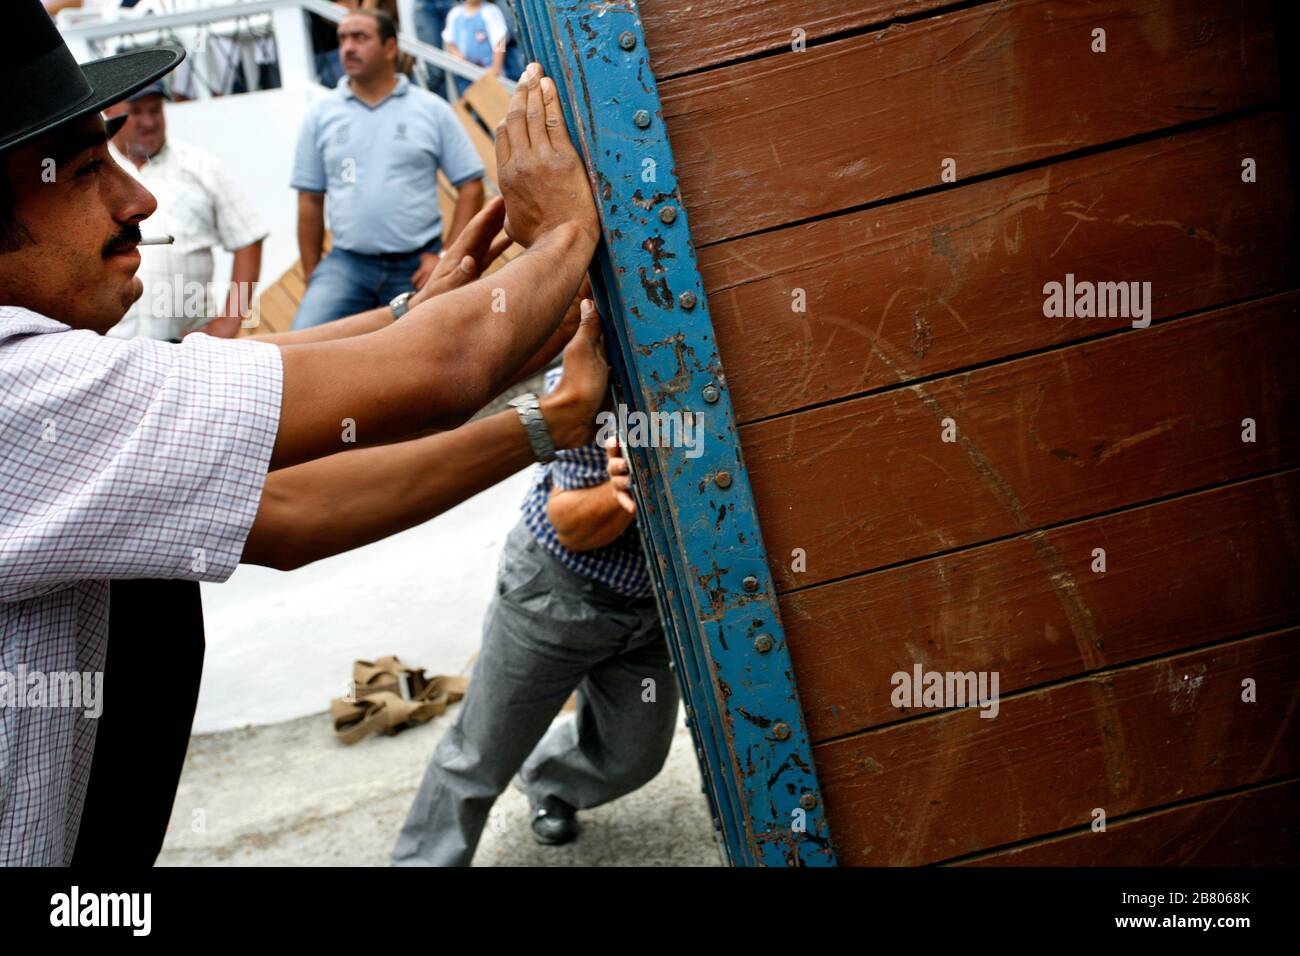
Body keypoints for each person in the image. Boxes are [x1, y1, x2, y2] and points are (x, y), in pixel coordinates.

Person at [1, 0, 603, 866]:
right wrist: (570, 230)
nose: (138, 198)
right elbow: (442, 375)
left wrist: (408, 320)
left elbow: (276, 506)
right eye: (89, 169)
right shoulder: (25, 396)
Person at [392, 371, 677, 866]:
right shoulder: (587, 376)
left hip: (653, 607)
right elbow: (571, 526)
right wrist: (624, 491)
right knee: (477, 760)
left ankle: (551, 782)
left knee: (635, 758)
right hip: (555, 596)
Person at [291, 7, 485, 329]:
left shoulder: (430, 110)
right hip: (347, 265)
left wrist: (446, 255)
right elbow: (309, 200)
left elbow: (471, 185)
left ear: (391, 47)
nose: (347, 47)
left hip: (418, 264)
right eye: (342, 39)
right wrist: (313, 274)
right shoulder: (320, 115)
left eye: (360, 37)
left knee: (442, 352)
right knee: (303, 335)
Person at [102, 82, 267, 341]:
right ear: (109, 111)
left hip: (188, 346)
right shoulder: (91, 171)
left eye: (155, 110)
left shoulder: (201, 167)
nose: (149, 122)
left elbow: (249, 238)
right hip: (109, 346)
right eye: (136, 111)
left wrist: (229, 321)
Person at [442, 0, 508, 98]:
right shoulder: (455, 14)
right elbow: (449, 41)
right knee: (469, 101)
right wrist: (457, 54)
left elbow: (500, 40)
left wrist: (496, 68)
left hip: (487, 72)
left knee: (492, 101)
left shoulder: (490, 11)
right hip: (464, 73)